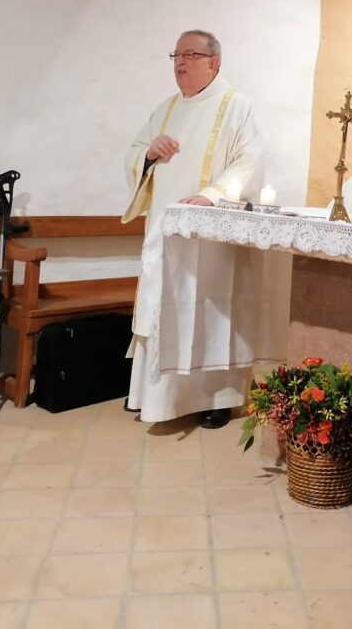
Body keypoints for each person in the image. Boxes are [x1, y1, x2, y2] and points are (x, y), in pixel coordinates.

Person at [123, 29, 265, 428]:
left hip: (211, 238)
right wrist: (148, 154)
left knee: (209, 309)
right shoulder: (166, 109)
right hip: (165, 234)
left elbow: (250, 160)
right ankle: (152, 398)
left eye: (189, 54)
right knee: (160, 305)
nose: (180, 62)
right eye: (175, 55)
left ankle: (216, 398)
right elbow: (134, 153)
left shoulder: (237, 106)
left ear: (213, 63)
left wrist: (214, 195)